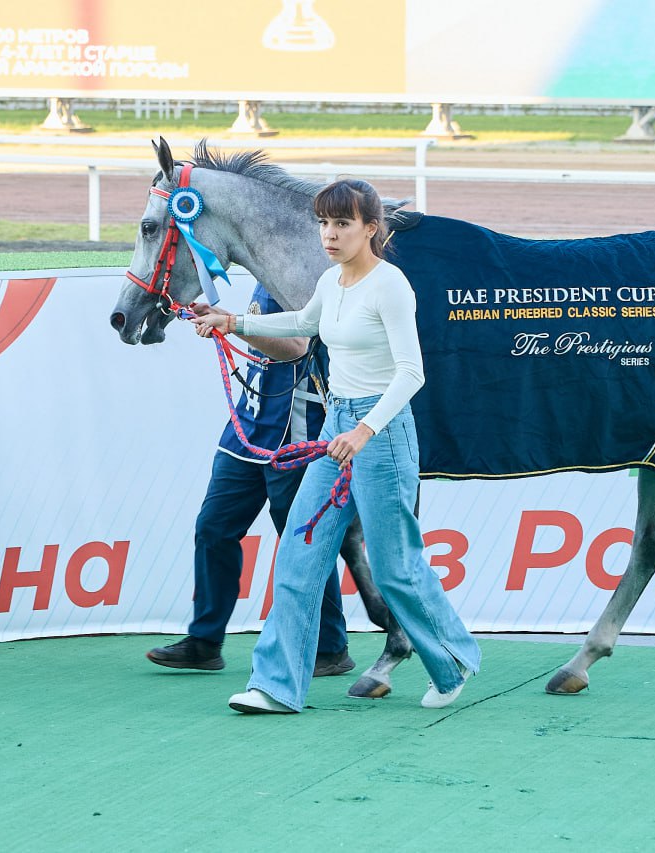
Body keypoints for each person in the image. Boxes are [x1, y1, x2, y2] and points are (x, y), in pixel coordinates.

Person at [192, 178, 480, 714]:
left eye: (342, 223)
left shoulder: (391, 285)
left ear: (371, 229)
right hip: (337, 431)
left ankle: (452, 659)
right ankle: (274, 686)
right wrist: (233, 322)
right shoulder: (332, 281)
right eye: (324, 223)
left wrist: (364, 429)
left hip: (382, 434)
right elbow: (303, 324)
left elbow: (412, 372)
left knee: (395, 568)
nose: (329, 233)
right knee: (299, 551)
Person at [146, 284, 355, 679]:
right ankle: (205, 642)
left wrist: (229, 325)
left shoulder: (311, 275)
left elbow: (293, 347)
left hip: (294, 433)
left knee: (300, 540)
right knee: (213, 529)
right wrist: (217, 315)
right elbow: (262, 326)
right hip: (249, 425)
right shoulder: (270, 269)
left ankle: (330, 646)